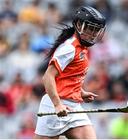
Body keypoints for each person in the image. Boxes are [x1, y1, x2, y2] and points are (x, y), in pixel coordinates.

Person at [34, 6, 106, 139]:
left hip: (74, 107)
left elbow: (69, 76)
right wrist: (57, 104)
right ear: (79, 25)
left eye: (96, 30)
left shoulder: (82, 48)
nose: (93, 34)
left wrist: (80, 92)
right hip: (54, 105)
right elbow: (47, 77)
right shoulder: (69, 47)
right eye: (91, 28)